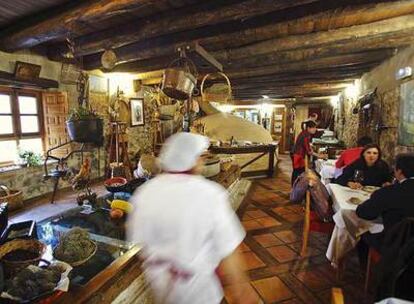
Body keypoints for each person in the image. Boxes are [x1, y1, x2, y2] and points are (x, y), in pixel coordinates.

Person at [127, 132, 258, 304]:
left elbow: (140, 244)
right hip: (199, 293)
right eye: (200, 157)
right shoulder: (209, 194)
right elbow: (229, 249)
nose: (202, 162)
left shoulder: (144, 193)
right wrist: (243, 289)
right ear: (193, 160)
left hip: (163, 292)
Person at [356, 153, 414, 250]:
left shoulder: (390, 192)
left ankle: (369, 264)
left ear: (399, 171)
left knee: (363, 235)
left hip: (395, 244)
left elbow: (363, 212)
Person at [291, 120, 326, 185]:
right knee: (297, 172)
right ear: (308, 128)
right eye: (314, 128)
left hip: (298, 154)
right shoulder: (306, 136)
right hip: (297, 155)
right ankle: (295, 187)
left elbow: (307, 147)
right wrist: (319, 156)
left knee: (299, 171)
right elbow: (309, 151)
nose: (315, 129)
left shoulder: (305, 133)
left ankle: (297, 186)